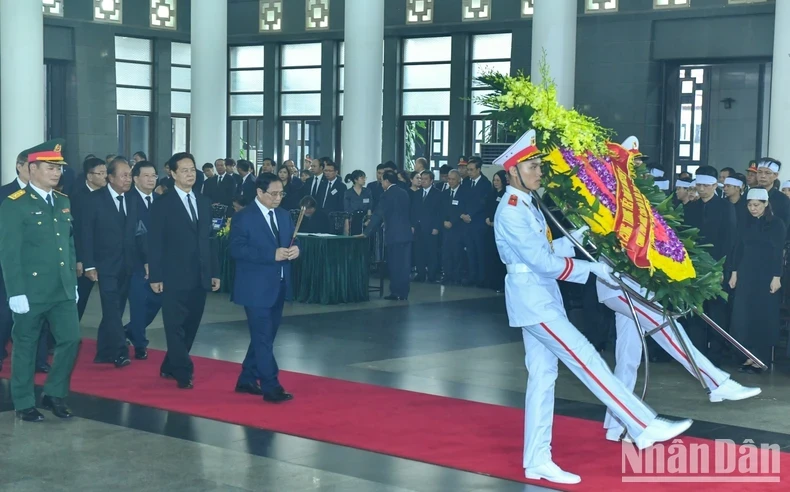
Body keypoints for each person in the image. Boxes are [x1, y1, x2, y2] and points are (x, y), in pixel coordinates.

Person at [492, 130, 691, 485]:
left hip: (540, 296)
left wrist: (583, 234)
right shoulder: (511, 211)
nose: (539, 172)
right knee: (586, 358)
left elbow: (551, 253)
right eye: (532, 166)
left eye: (539, 165)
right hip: (534, 300)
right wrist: (592, 269)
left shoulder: (526, 205)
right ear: (513, 171)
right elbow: (543, 263)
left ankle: (537, 458)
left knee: (543, 378)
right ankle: (641, 424)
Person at [596, 274, 761, 442]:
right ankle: (716, 382)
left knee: (627, 358)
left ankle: (617, 426)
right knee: (666, 327)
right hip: (621, 287)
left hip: (627, 288)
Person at [0, 139, 81, 421]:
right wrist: (16, 292)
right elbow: (9, 253)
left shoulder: (63, 201)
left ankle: (54, 393)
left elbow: (68, 245)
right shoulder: (15, 204)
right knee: (25, 344)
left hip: (61, 288)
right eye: (50, 167)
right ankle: (23, 402)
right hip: (31, 290)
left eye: (58, 168)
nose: (56, 173)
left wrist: (71, 281)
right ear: (31, 169)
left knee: (71, 340)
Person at [148, 152, 220, 389]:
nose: (191, 174)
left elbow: (209, 240)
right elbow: (155, 242)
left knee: (191, 323)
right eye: (185, 170)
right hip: (172, 274)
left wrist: (214, 272)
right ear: (173, 173)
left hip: (199, 275)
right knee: (174, 324)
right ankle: (183, 370)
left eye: (193, 169)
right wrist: (156, 275)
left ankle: (170, 364)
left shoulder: (203, 201)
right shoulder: (162, 204)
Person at [230, 173, 299, 403]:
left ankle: (247, 378)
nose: (278, 198)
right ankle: (271, 386)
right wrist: (271, 255)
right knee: (262, 337)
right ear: (260, 193)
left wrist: (295, 250)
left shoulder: (284, 215)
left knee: (266, 336)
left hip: (279, 284)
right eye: (274, 194)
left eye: (282, 193)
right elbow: (237, 250)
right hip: (254, 287)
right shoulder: (244, 217)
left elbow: (291, 241)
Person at [81, 156, 138, 367]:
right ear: (110, 177)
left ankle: (104, 351)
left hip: (128, 264)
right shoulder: (94, 199)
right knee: (112, 306)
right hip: (104, 265)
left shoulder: (132, 199)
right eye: (123, 175)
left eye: (130, 175)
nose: (128, 179)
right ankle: (119, 351)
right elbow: (85, 234)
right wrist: (88, 264)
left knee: (116, 309)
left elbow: (137, 233)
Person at [0, 152, 51, 374]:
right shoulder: (4, 194)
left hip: (39, 268)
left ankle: (39, 359)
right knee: (4, 315)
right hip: (10, 267)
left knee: (39, 315)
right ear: (20, 167)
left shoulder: (49, 196)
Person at [729, 188, 786, 374]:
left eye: (756, 205)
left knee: (762, 315)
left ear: (765, 204)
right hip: (747, 272)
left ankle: (760, 359)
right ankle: (747, 355)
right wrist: (734, 272)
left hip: (766, 275)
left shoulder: (777, 224)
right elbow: (738, 248)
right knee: (743, 315)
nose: (753, 209)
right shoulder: (745, 223)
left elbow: (778, 252)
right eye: (750, 205)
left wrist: (777, 277)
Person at [683, 166, 736, 363]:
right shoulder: (691, 207)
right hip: (694, 265)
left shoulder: (725, 207)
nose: (702, 189)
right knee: (696, 308)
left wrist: (724, 267)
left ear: (715, 185)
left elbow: (729, 238)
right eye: (699, 185)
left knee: (717, 310)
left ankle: (716, 353)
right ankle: (696, 352)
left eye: (706, 185)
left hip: (716, 265)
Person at [124, 161, 161, 360]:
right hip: (135, 261)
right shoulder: (128, 200)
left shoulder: (160, 199)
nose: (151, 179)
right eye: (146, 176)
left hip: (157, 261)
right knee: (138, 302)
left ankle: (130, 330)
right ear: (136, 178)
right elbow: (134, 234)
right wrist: (145, 260)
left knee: (157, 300)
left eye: (154, 175)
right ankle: (140, 343)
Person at [362, 170, 413, 301]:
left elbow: (378, 214)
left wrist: (366, 232)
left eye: (382, 181)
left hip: (394, 235)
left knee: (395, 264)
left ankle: (395, 292)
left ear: (386, 181)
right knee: (405, 265)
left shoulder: (387, 195)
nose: (381, 183)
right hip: (406, 234)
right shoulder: (404, 192)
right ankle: (404, 292)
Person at [343, 170, 372, 236]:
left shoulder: (367, 191)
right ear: (355, 180)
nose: (364, 180)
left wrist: (369, 219)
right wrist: (347, 223)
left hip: (364, 218)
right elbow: (346, 209)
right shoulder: (348, 192)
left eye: (365, 178)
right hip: (353, 219)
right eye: (362, 178)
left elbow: (369, 207)